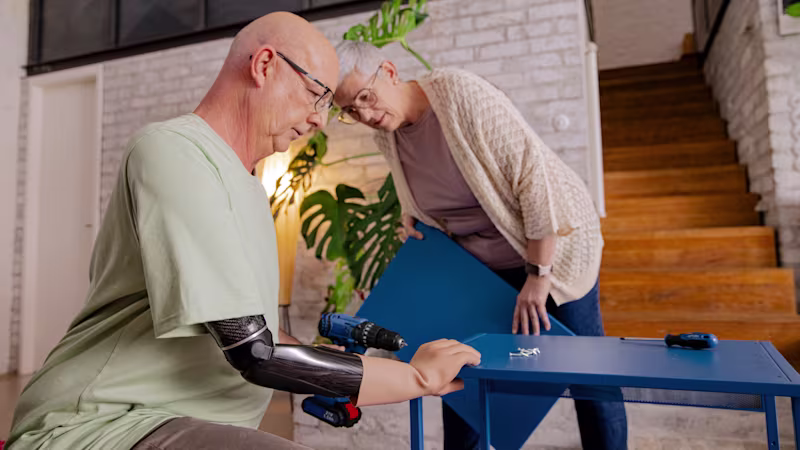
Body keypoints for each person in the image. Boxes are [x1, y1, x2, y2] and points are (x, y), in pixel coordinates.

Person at [7, 13, 480, 450]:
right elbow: (253, 348)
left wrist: (340, 372)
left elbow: (261, 332)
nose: (320, 118)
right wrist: (418, 379)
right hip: (105, 422)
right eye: (317, 94)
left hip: (182, 419)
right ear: (266, 65)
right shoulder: (173, 151)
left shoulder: (251, 191)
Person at [333, 41, 628, 450]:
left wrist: (538, 276)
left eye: (365, 97)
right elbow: (428, 188)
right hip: (481, 271)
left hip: (554, 256)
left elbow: (533, 179)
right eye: (350, 110)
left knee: (590, 378)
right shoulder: (388, 134)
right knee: (462, 382)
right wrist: (414, 215)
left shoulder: (459, 95)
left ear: (389, 70)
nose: (364, 114)